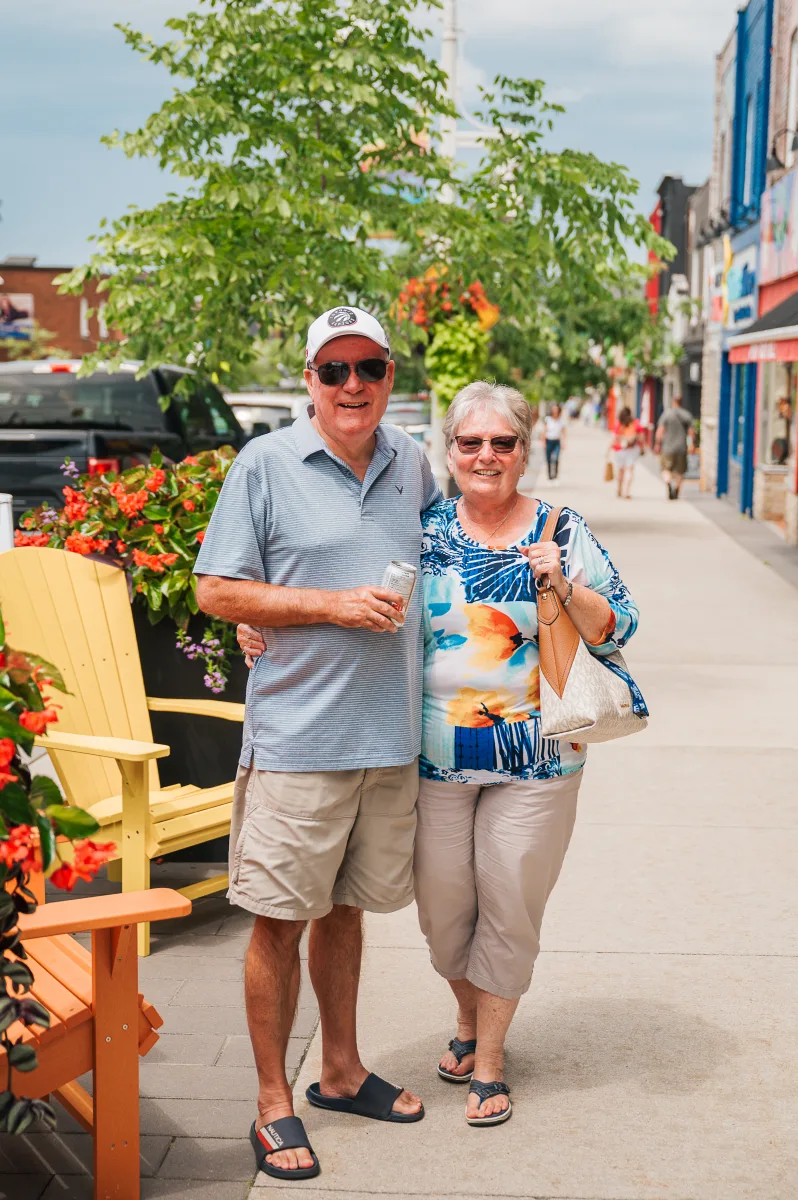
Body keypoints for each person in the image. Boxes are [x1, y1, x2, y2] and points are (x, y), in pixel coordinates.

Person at [241, 382, 640, 1129]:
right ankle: (468, 1012)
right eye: (470, 443)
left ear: (526, 449)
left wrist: (559, 578)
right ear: (447, 452)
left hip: (538, 758)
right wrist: (261, 627)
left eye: (503, 443)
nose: (486, 456)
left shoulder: (561, 527)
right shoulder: (420, 530)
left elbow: (618, 627)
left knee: (510, 908)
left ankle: (488, 1056)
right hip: (429, 756)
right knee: (445, 915)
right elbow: (338, 585)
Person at [195, 305, 439, 1182]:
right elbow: (217, 591)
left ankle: (340, 1071)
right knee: (278, 923)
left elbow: (445, 562)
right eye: (332, 372)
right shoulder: (263, 464)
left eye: (367, 369)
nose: (351, 387)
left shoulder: (413, 461)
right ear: (308, 382)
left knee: (346, 913)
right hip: (298, 739)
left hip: (386, 737)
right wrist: (325, 606)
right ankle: (272, 1102)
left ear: (388, 378)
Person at [654, 395, 694, 500]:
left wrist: (657, 444)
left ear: (673, 401)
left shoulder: (667, 414)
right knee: (680, 471)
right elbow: (690, 433)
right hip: (681, 447)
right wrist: (691, 445)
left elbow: (660, 431)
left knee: (665, 469)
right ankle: (676, 489)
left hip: (667, 447)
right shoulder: (687, 415)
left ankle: (668, 484)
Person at [610, 406, 644, 500]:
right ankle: (627, 492)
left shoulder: (618, 424)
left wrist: (609, 449)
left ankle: (619, 489)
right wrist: (642, 447)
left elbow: (614, 438)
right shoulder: (636, 423)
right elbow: (641, 437)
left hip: (619, 449)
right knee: (629, 470)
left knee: (620, 470)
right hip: (632, 449)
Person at [540, 402, 567, 484]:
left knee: (556, 458)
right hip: (549, 441)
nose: (555, 411)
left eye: (556, 410)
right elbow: (544, 431)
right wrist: (543, 442)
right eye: (554, 410)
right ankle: (549, 477)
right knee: (548, 459)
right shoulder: (548, 419)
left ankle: (555, 476)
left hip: (557, 442)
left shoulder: (561, 420)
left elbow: (564, 432)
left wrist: (564, 442)